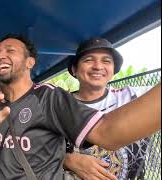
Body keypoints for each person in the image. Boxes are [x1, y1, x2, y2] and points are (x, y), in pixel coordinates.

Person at [0, 34, 161, 180]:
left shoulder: (50, 96)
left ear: (30, 62)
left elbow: (106, 132)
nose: (1, 56)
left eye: (10, 50)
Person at [63, 38, 152, 180]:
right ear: (74, 69)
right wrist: (67, 160)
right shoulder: (59, 105)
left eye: (106, 61)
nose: (98, 66)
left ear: (113, 70)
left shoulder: (133, 96)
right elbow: (36, 149)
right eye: (88, 60)